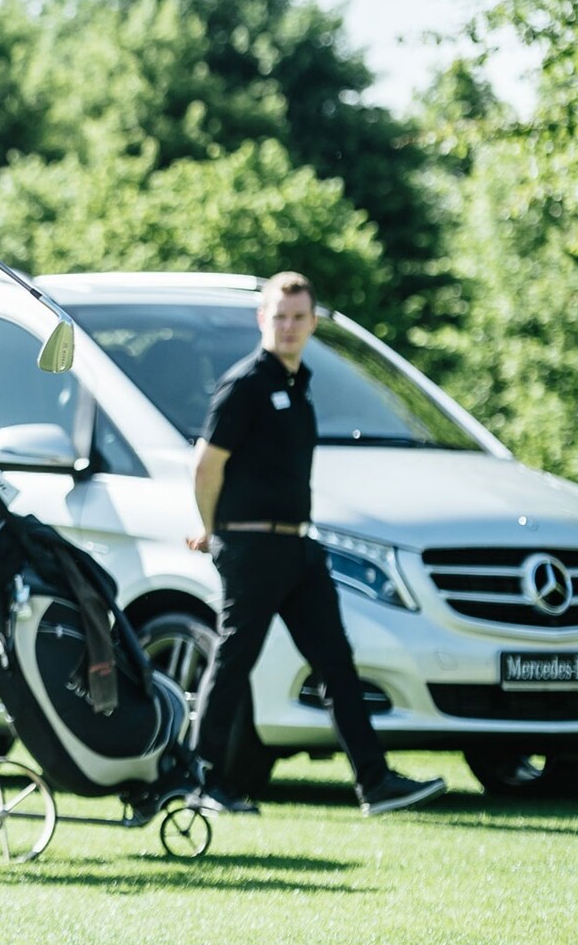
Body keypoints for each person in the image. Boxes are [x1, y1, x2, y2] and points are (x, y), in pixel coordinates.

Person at [185, 271, 445, 818]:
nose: (288, 326)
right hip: (252, 549)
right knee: (234, 663)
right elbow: (206, 465)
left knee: (337, 665)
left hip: (300, 549)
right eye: (279, 316)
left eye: (298, 317)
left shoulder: (297, 384)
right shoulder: (246, 384)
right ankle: (204, 783)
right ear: (263, 319)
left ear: (312, 322)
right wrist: (212, 529)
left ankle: (375, 784)